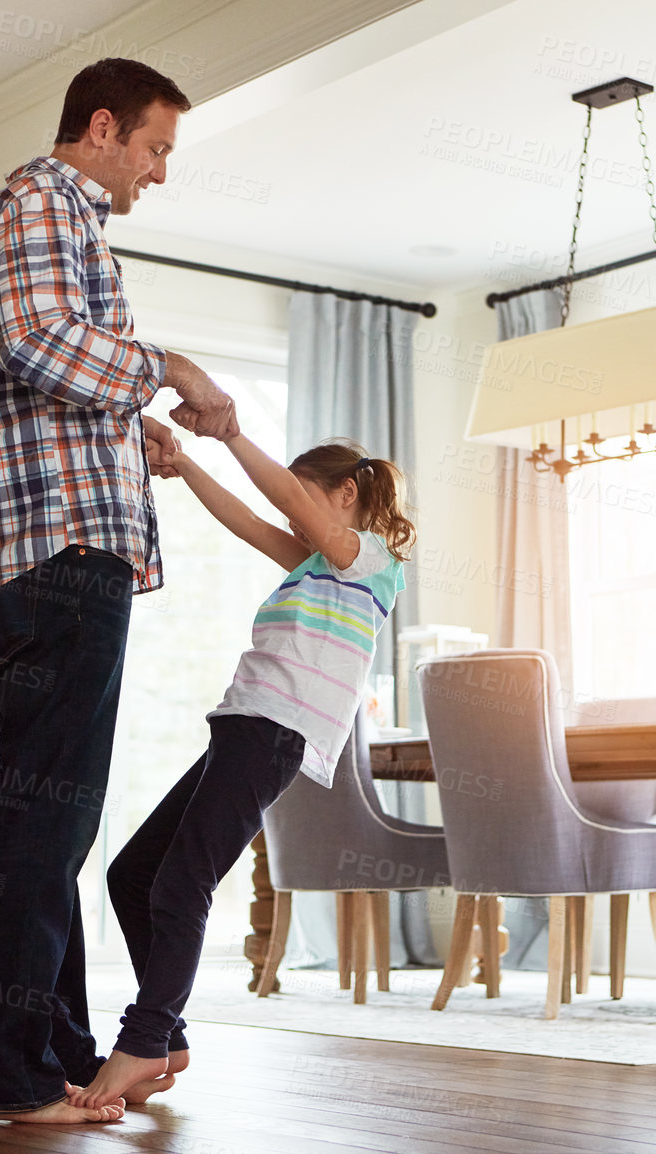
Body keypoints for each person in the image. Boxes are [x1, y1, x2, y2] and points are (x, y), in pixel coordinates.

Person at [0, 57, 241, 1124]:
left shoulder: (63, 223)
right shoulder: (42, 197)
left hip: (48, 548)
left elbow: (53, 367)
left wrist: (134, 427)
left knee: (51, 816)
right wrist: (169, 365)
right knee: (43, 825)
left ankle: (54, 1051)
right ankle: (4, 1074)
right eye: (156, 146)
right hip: (56, 554)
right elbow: (34, 343)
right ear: (104, 127)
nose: (159, 171)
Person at [64, 421, 414, 1109]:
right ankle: (168, 1039)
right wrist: (187, 464)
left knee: (181, 884)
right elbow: (250, 520)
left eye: (306, 503)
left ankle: (141, 1042)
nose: (293, 518)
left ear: (346, 495)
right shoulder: (315, 562)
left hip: (274, 731)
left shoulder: (369, 560)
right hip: (243, 725)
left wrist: (228, 431)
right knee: (133, 875)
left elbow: (279, 496)